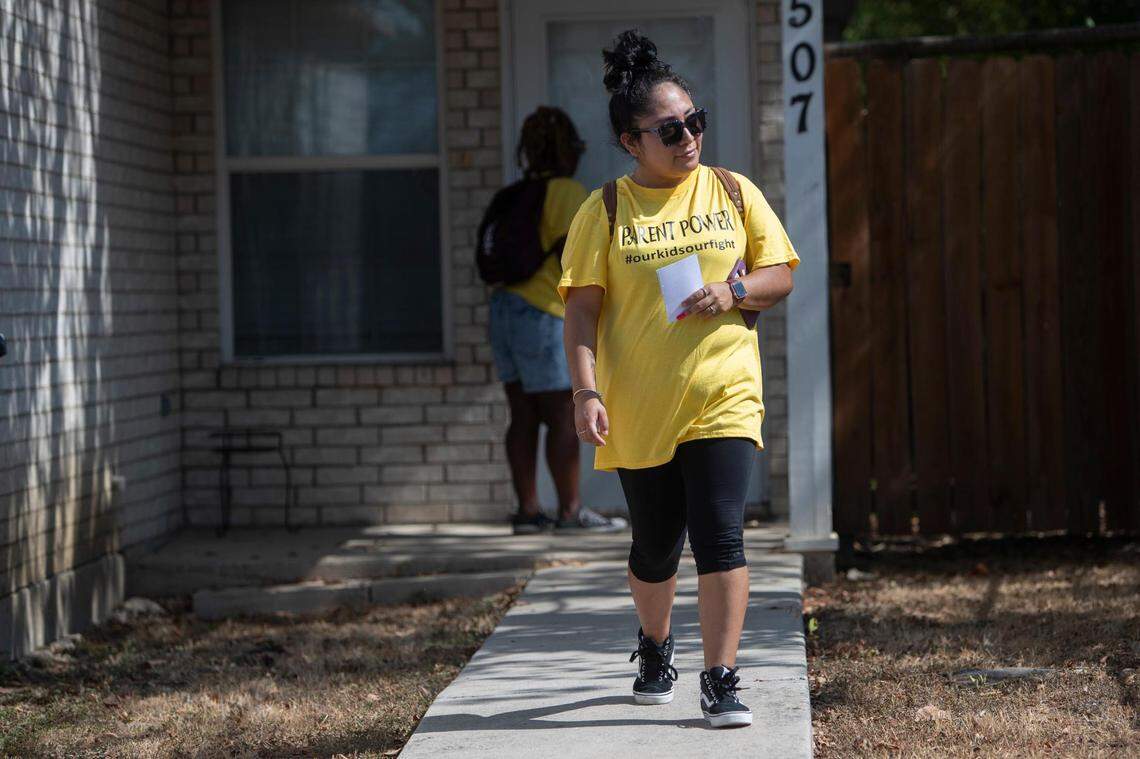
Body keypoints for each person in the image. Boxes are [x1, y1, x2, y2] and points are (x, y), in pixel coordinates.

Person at [557, 31, 799, 728]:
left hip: (724, 391)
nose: (688, 137)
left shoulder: (731, 190)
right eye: (670, 129)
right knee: (656, 545)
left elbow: (780, 272)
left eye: (695, 122)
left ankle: (720, 676)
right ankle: (656, 643)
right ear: (631, 141)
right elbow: (580, 312)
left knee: (722, 532)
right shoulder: (603, 210)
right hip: (639, 404)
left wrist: (737, 291)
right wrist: (586, 391)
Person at [486, 106, 628, 535]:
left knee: (522, 415)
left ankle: (528, 512)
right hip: (543, 313)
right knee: (564, 415)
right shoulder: (566, 192)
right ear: (569, 151)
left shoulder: (511, 194)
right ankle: (570, 512)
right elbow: (583, 257)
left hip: (504, 312)